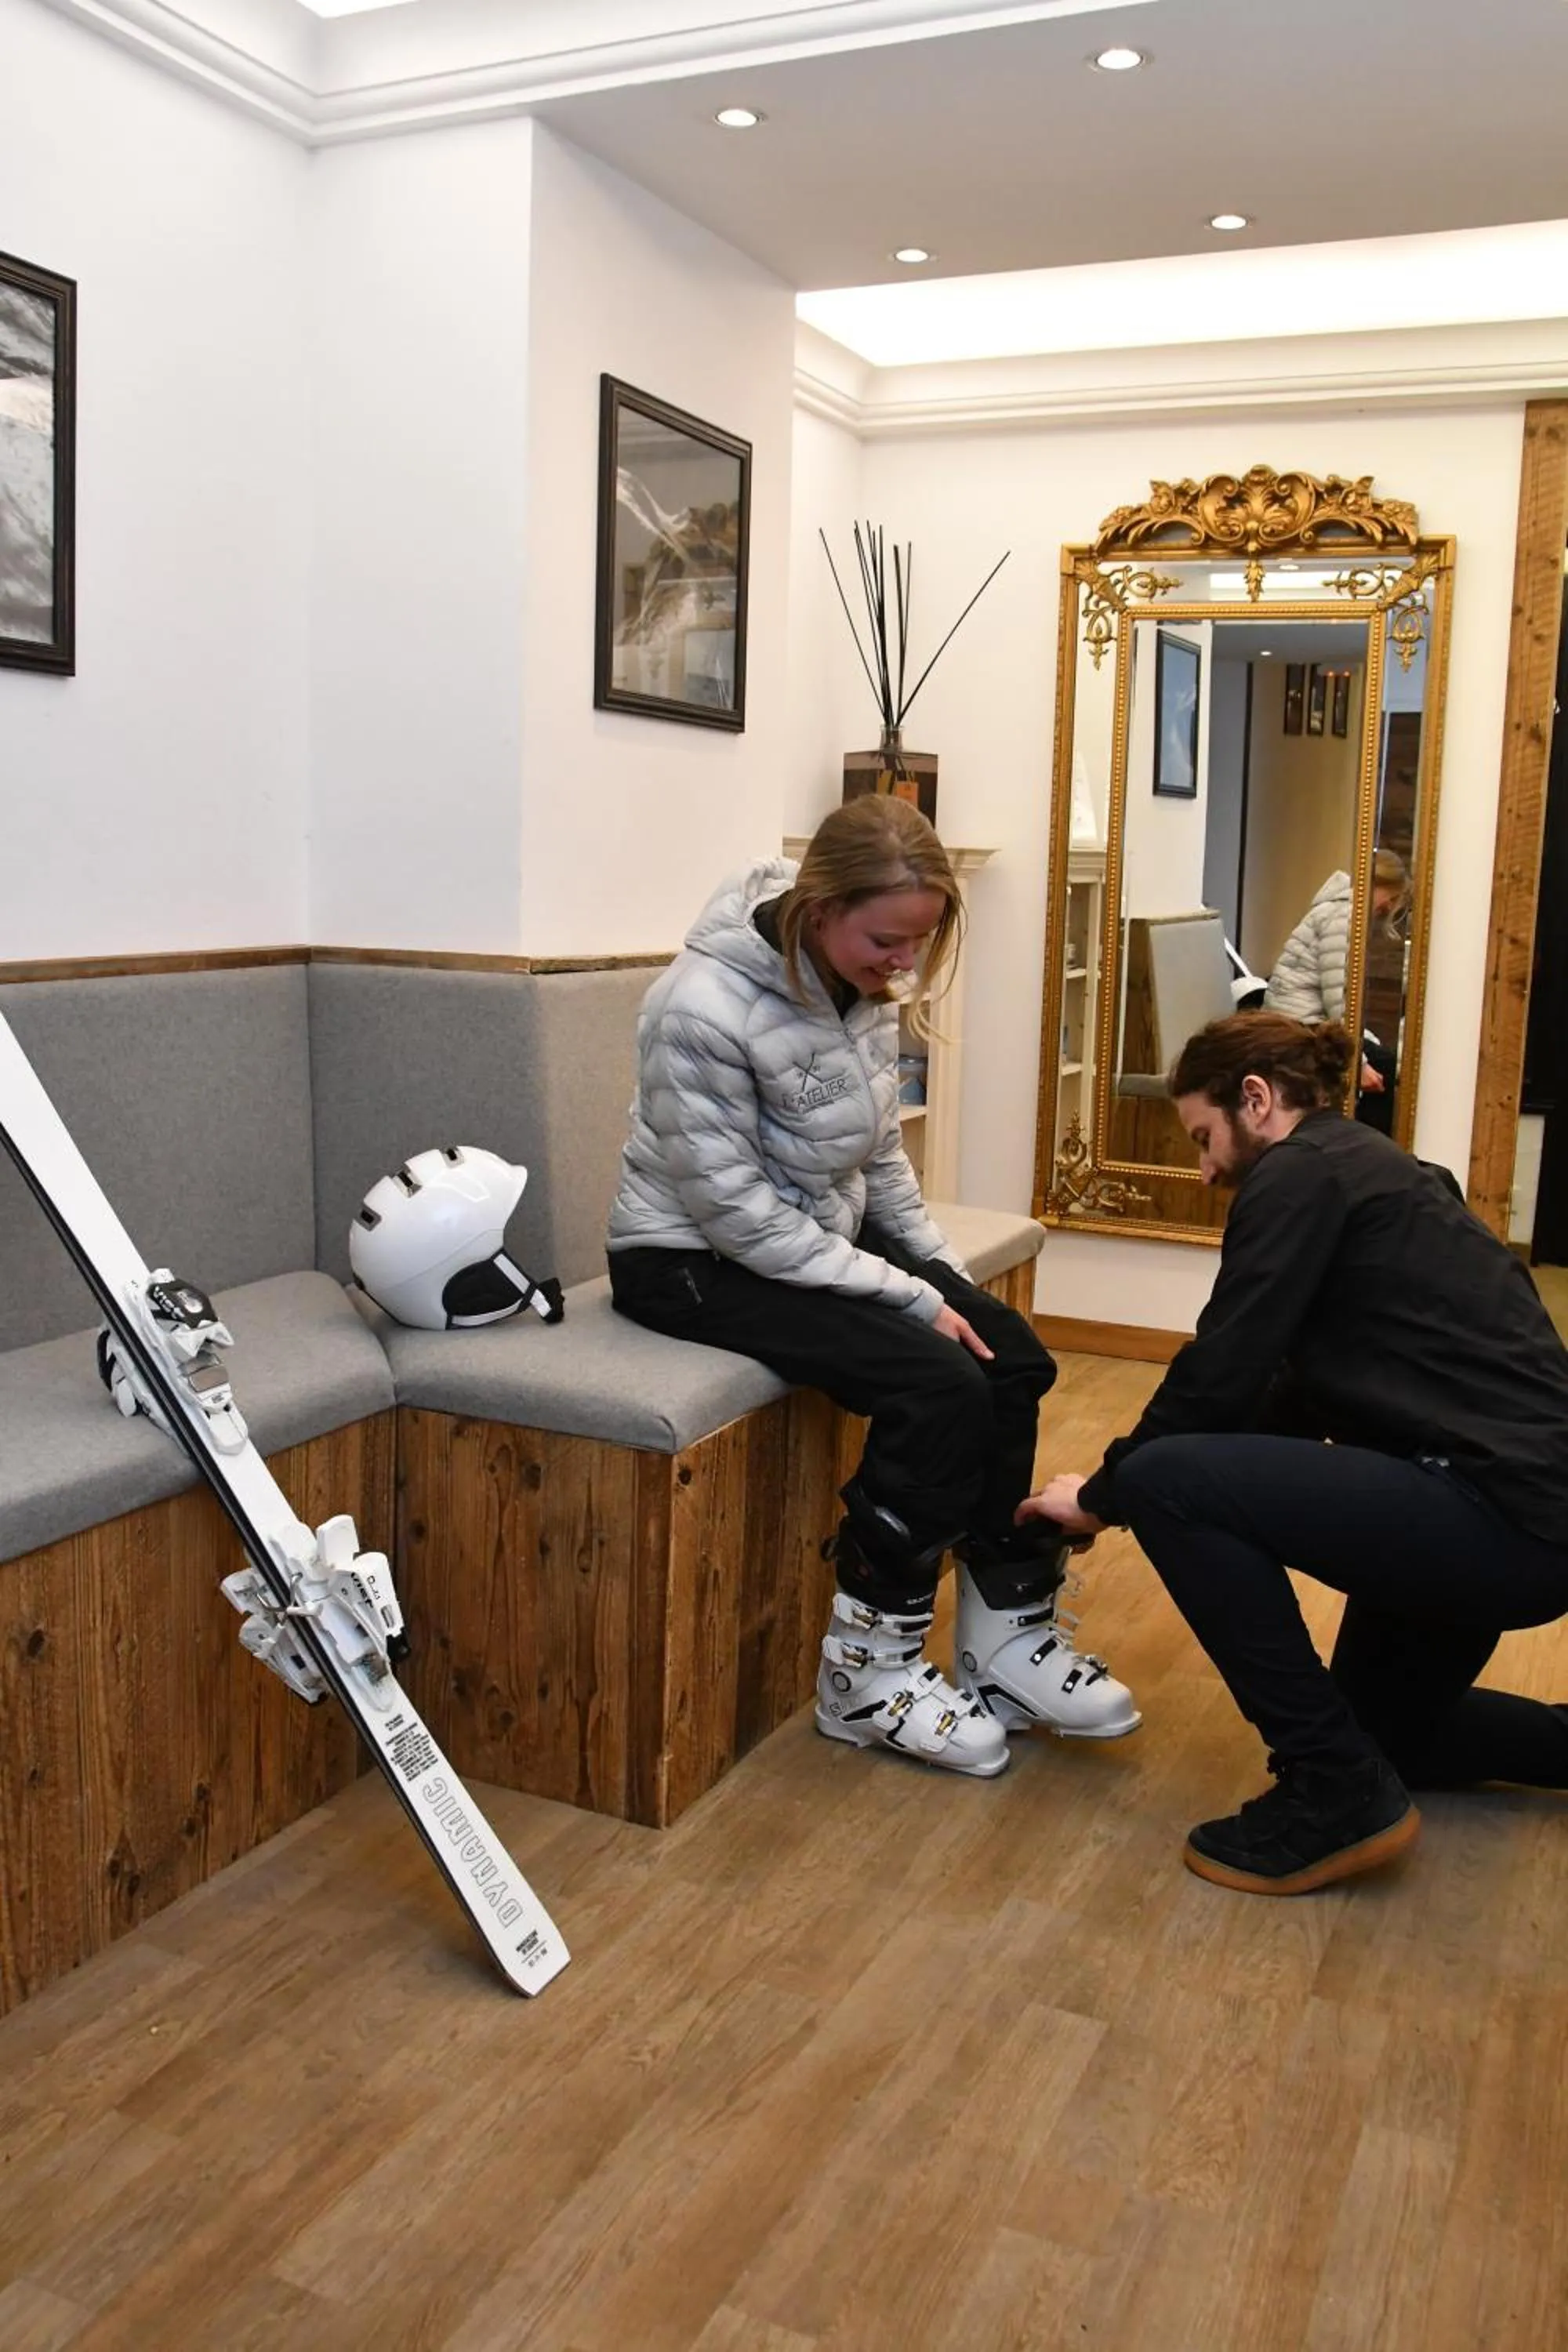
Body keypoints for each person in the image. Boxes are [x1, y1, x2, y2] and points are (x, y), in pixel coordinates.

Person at [607, 797, 1139, 1779]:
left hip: (802, 1242)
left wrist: (939, 1272)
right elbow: (734, 1218)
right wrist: (904, 1300)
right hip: (686, 1264)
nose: (902, 964)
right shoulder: (697, 1009)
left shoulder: (857, 984)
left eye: (917, 943)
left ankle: (1004, 1640)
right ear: (818, 908)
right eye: (886, 940)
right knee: (934, 1383)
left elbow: (877, 1153)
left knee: (1011, 1356)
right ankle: (866, 1672)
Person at [1020, 1011, 1568, 1895]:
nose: (1203, 1170)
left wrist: (1108, 1493)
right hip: (1524, 1518)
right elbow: (1283, 1396)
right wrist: (1126, 1485)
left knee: (1167, 1481)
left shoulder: (1299, 1172)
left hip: (1491, 1515)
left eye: (1203, 1138)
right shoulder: (1383, 1173)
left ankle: (1331, 1789)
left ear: (1255, 1099)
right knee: (1390, 1730)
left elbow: (1220, 1371)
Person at [1265, 848, 1408, 1123]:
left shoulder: (1339, 911)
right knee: (1384, 1068)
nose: (1389, 908)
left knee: (1382, 1060)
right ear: (1376, 886)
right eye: (1390, 898)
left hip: (1299, 1018)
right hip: (1297, 1025)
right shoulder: (1342, 917)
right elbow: (1339, 1000)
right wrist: (1359, 1064)